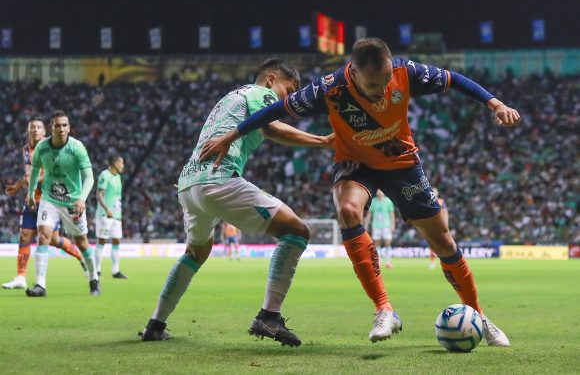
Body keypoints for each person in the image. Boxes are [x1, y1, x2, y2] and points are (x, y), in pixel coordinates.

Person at [200, 38, 520, 346]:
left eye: (384, 83)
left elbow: (454, 79)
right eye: (372, 86)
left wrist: (495, 102)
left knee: (443, 241)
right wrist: (233, 134)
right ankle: (384, 309)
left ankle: (479, 314)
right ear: (353, 71)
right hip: (354, 163)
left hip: (400, 161)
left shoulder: (405, 72)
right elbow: (277, 111)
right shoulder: (330, 88)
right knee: (349, 210)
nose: (381, 92)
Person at [139, 58, 334, 347]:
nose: (288, 99)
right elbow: (273, 129)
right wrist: (323, 141)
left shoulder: (230, 97)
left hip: (189, 183)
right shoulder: (262, 94)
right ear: (271, 79)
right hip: (217, 179)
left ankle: (155, 324)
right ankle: (269, 316)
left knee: (195, 254)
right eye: (288, 89)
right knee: (297, 231)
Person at [2, 118, 87, 290]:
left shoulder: (48, 148)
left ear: (44, 132)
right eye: (32, 127)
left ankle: (79, 255)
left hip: (50, 200)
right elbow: (29, 175)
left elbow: (52, 175)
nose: (35, 130)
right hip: (32, 199)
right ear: (28, 131)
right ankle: (21, 277)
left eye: (38, 127)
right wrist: (19, 186)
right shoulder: (26, 149)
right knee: (24, 235)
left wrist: (31, 181)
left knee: (54, 240)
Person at [25, 110, 100, 297]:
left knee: (82, 243)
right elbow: (34, 171)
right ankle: (40, 285)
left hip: (73, 201)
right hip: (49, 198)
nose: (61, 129)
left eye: (64, 125)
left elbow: (89, 177)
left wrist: (82, 198)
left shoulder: (77, 147)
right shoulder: (42, 148)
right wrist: (31, 193)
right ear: (51, 128)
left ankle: (93, 278)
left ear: (69, 128)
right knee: (44, 235)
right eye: (57, 125)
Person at [94, 154, 127, 279]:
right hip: (105, 215)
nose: (122, 166)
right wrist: (107, 209)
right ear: (114, 163)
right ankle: (97, 271)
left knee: (117, 240)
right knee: (102, 240)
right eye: (121, 163)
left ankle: (115, 271)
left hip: (116, 215)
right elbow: (99, 194)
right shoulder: (104, 175)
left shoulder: (118, 177)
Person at [365, 190, 395, 269]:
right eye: (378, 191)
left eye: (380, 191)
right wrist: (366, 224)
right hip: (376, 226)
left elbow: (391, 214)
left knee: (387, 242)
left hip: (386, 226)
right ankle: (378, 262)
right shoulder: (374, 201)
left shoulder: (388, 201)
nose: (379, 193)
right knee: (377, 243)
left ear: (383, 192)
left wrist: (392, 225)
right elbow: (369, 214)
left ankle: (388, 262)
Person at [429, 188, 447, 269]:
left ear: (438, 193)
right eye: (433, 191)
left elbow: (446, 213)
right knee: (432, 244)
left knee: (442, 244)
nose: (434, 192)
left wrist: (446, 224)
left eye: (435, 191)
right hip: (432, 225)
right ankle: (432, 262)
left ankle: (444, 261)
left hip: (441, 225)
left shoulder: (441, 201)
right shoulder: (429, 201)